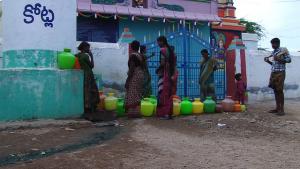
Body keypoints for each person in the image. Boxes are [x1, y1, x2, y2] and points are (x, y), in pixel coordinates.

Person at [264, 38, 291, 116]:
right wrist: (268, 61)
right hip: (273, 72)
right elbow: (274, 64)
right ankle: (277, 108)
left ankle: (282, 110)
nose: (272, 46)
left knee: (279, 90)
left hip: (280, 72)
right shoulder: (273, 52)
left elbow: (289, 60)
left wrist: (279, 59)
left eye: (273, 44)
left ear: (277, 43)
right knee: (275, 90)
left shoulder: (283, 50)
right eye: (271, 44)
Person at [76, 42, 100, 116]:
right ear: (84, 48)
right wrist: (91, 56)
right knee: (93, 91)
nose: (89, 49)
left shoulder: (78, 55)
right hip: (89, 74)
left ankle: (87, 108)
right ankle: (91, 108)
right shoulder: (85, 56)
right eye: (88, 47)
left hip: (83, 75)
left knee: (86, 91)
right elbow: (92, 66)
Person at [156, 36, 176, 119]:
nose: (157, 44)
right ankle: (169, 113)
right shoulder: (170, 50)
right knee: (169, 93)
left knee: (163, 92)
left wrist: (158, 69)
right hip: (171, 73)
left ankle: (165, 113)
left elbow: (163, 63)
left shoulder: (163, 50)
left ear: (162, 42)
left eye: (158, 42)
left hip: (164, 74)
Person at [125, 41, 145, 118]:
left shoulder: (133, 56)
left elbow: (132, 68)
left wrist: (128, 80)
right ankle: (137, 112)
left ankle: (132, 113)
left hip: (134, 75)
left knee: (132, 92)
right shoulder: (140, 55)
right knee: (138, 93)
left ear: (132, 47)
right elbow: (144, 67)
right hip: (140, 75)